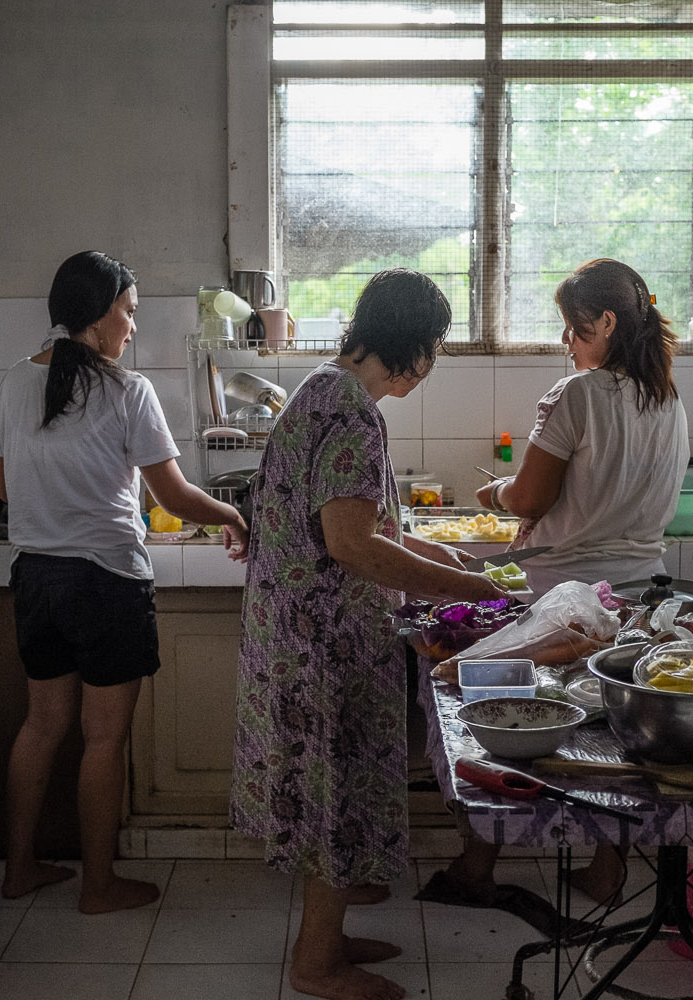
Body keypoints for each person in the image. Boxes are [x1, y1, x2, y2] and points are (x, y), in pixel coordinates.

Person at [232, 269, 507, 1000]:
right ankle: (317, 965)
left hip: (299, 636)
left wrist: (447, 559)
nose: (434, 361)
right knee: (335, 792)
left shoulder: (323, 388)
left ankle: (329, 938)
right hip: (325, 646)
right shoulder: (352, 415)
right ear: (414, 348)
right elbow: (351, 544)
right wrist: (470, 587)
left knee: (334, 792)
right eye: (436, 346)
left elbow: (369, 527)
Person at [0, 251, 249, 914]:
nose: (132, 328)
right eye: (128, 313)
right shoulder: (126, 391)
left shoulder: (12, 382)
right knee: (103, 737)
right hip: (104, 580)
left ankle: (19, 869)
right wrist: (234, 515)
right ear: (99, 314)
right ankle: (98, 885)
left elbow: (4, 485)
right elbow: (176, 493)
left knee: (42, 724)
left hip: (35, 578)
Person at [449, 257, 689, 904]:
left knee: (509, 722)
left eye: (574, 328)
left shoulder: (577, 395)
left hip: (560, 598)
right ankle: (607, 871)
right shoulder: (666, 400)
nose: (566, 341)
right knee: (614, 735)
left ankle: (476, 865)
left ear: (606, 321)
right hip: (641, 593)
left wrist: (496, 491)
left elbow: (529, 499)